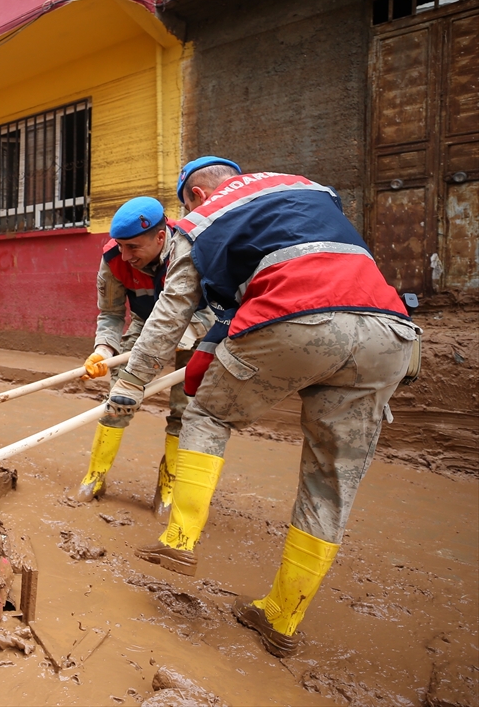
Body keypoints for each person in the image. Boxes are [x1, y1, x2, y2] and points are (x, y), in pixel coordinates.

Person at [104, 156, 417, 657]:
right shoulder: (309, 189)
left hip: (300, 316)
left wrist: (132, 382)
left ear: (197, 196)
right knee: (330, 482)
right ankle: (281, 619)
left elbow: (171, 312)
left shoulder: (201, 219)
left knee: (206, 412)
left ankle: (179, 541)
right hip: (390, 333)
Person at [78, 197, 212, 519]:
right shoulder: (113, 258)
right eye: (121, 246)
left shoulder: (193, 249)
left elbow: (215, 306)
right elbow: (110, 313)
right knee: (118, 397)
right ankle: (95, 475)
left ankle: (167, 488)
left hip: (197, 325)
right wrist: (104, 350)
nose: (126, 256)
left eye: (134, 247)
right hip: (144, 323)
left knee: (185, 410)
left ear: (161, 237)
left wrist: (183, 337)